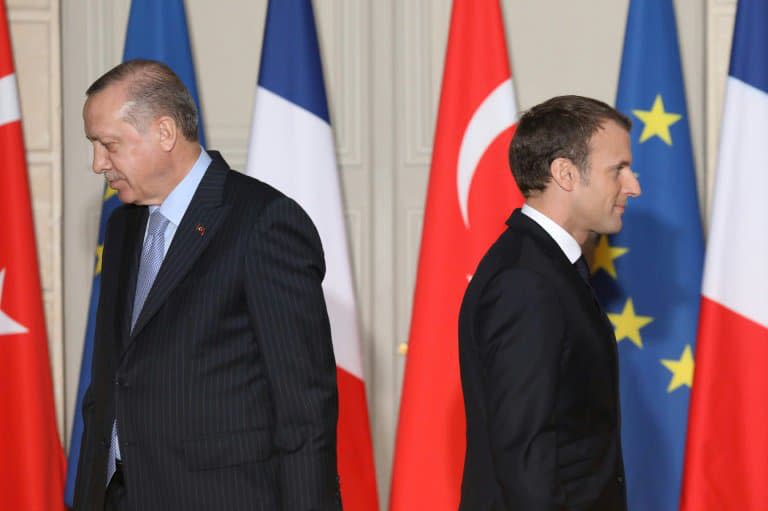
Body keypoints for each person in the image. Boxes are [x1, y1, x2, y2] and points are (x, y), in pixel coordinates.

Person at [72, 59, 340, 511]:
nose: (98, 164)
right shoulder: (121, 230)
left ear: (164, 132)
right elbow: (110, 385)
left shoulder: (263, 222)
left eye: (108, 144)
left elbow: (304, 409)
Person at [458, 95, 641, 510]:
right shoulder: (527, 281)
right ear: (565, 173)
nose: (634, 186)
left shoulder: (547, 267)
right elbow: (526, 456)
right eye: (619, 170)